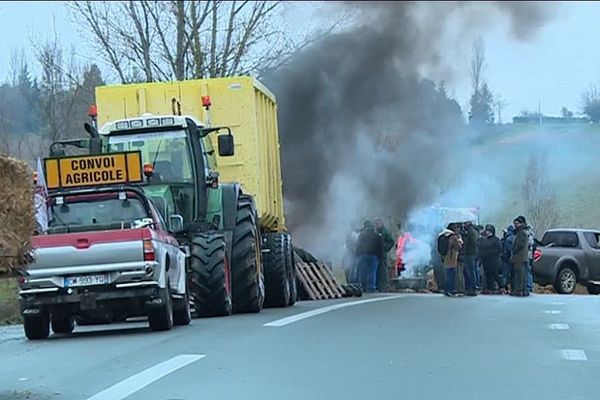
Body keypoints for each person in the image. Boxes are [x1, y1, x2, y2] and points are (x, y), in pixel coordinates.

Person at [355, 220, 384, 293]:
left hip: (363, 255)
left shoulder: (362, 235)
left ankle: (362, 286)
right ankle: (371, 287)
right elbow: (380, 247)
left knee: (363, 272)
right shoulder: (377, 235)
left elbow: (358, 245)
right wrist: (380, 256)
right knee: (372, 272)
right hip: (374, 256)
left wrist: (357, 255)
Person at [438, 223, 463, 297]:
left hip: (445, 256)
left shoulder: (443, 235)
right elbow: (458, 247)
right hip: (451, 256)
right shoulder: (453, 237)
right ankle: (450, 290)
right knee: (451, 274)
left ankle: (446, 290)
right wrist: (460, 240)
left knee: (448, 273)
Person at [478, 224, 502, 294]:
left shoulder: (496, 240)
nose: (488, 232)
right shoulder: (484, 240)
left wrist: (490, 252)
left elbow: (499, 249)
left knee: (495, 274)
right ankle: (489, 288)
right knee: (487, 274)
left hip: (494, 260)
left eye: (489, 231)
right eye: (487, 231)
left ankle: (502, 287)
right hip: (485, 260)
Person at [374, 217, 395, 291]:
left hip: (382, 255)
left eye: (377, 223)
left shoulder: (385, 231)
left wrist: (385, 248)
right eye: (375, 223)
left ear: (381, 223)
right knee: (376, 271)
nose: (376, 225)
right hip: (376, 254)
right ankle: (377, 286)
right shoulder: (375, 231)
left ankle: (383, 287)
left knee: (382, 271)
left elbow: (391, 241)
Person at [511, 216, 530, 297]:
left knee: (520, 275)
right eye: (514, 224)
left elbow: (520, 245)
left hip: (520, 257)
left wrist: (514, 250)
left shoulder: (521, 233)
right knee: (521, 274)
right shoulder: (520, 232)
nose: (515, 225)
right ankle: (522, 290)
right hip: (520, 257)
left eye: (517, 223)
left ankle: (520, 290)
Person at [462, 220, 479, 296]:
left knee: (470, 271)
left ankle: (472, 288)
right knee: (473, 271)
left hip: (470, 253)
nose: (463, 225)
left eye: (465, 223)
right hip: (473, 253)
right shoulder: (474, 231)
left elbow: (472, 243)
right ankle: (473, 287)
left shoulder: (470, 232)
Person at [500, 225, 516, 292]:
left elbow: (508, 250)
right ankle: (511, 288)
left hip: (506, 259)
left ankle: (504, 288)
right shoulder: (514, 237)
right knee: (512, 274)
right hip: (512, 259)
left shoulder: (507, 238)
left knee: (505, 274)